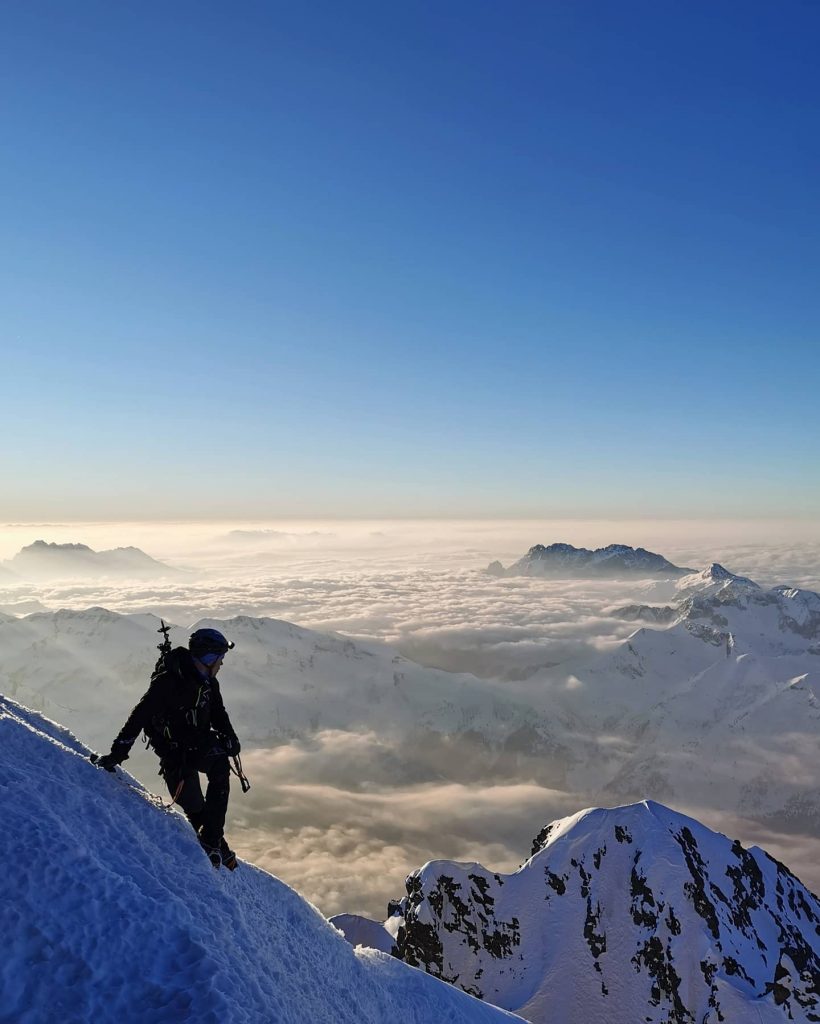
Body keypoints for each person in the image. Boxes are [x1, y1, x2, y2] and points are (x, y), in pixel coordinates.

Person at [95, 627, 241, 870]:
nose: (221, 664)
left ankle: (212, 838)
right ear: (208, 658)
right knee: (194, 806)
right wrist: (118, 753)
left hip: (198, 743)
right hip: (175, 753)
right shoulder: (169, 683)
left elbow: (218, 713)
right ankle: (211, 840)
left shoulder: (208, 684)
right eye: (220, 658)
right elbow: (139, 716)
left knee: (220, 767)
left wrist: (230, 738)